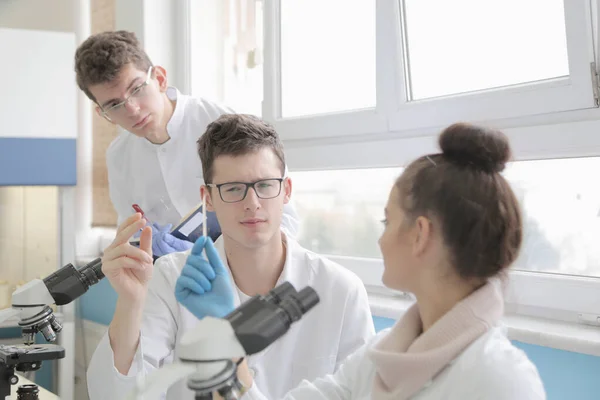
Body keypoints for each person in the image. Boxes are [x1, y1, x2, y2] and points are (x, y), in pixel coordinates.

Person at [188, 123, 547, 399]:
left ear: (420, 234)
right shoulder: (385, 354)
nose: (380, 238)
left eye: (387, 222)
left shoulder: (499, 378)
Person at [86, 114, 375, 399]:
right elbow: (115, 395)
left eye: (264, 185)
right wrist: (130, 302)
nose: (252, 204)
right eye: (234, 189)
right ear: (208, 198)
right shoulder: (173, 278)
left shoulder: (341, 290)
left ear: (286, 190)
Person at [73, 30, 300, 256]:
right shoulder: (119, 156)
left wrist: (217, 256)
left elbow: (284, 221)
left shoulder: (222, 123)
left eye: (137, 89)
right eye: (114, 104)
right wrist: (144, 246)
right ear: (103, 113)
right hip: (172, 281)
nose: (132, 109)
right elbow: (131, 231)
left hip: (245, 274)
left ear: (160, 78)